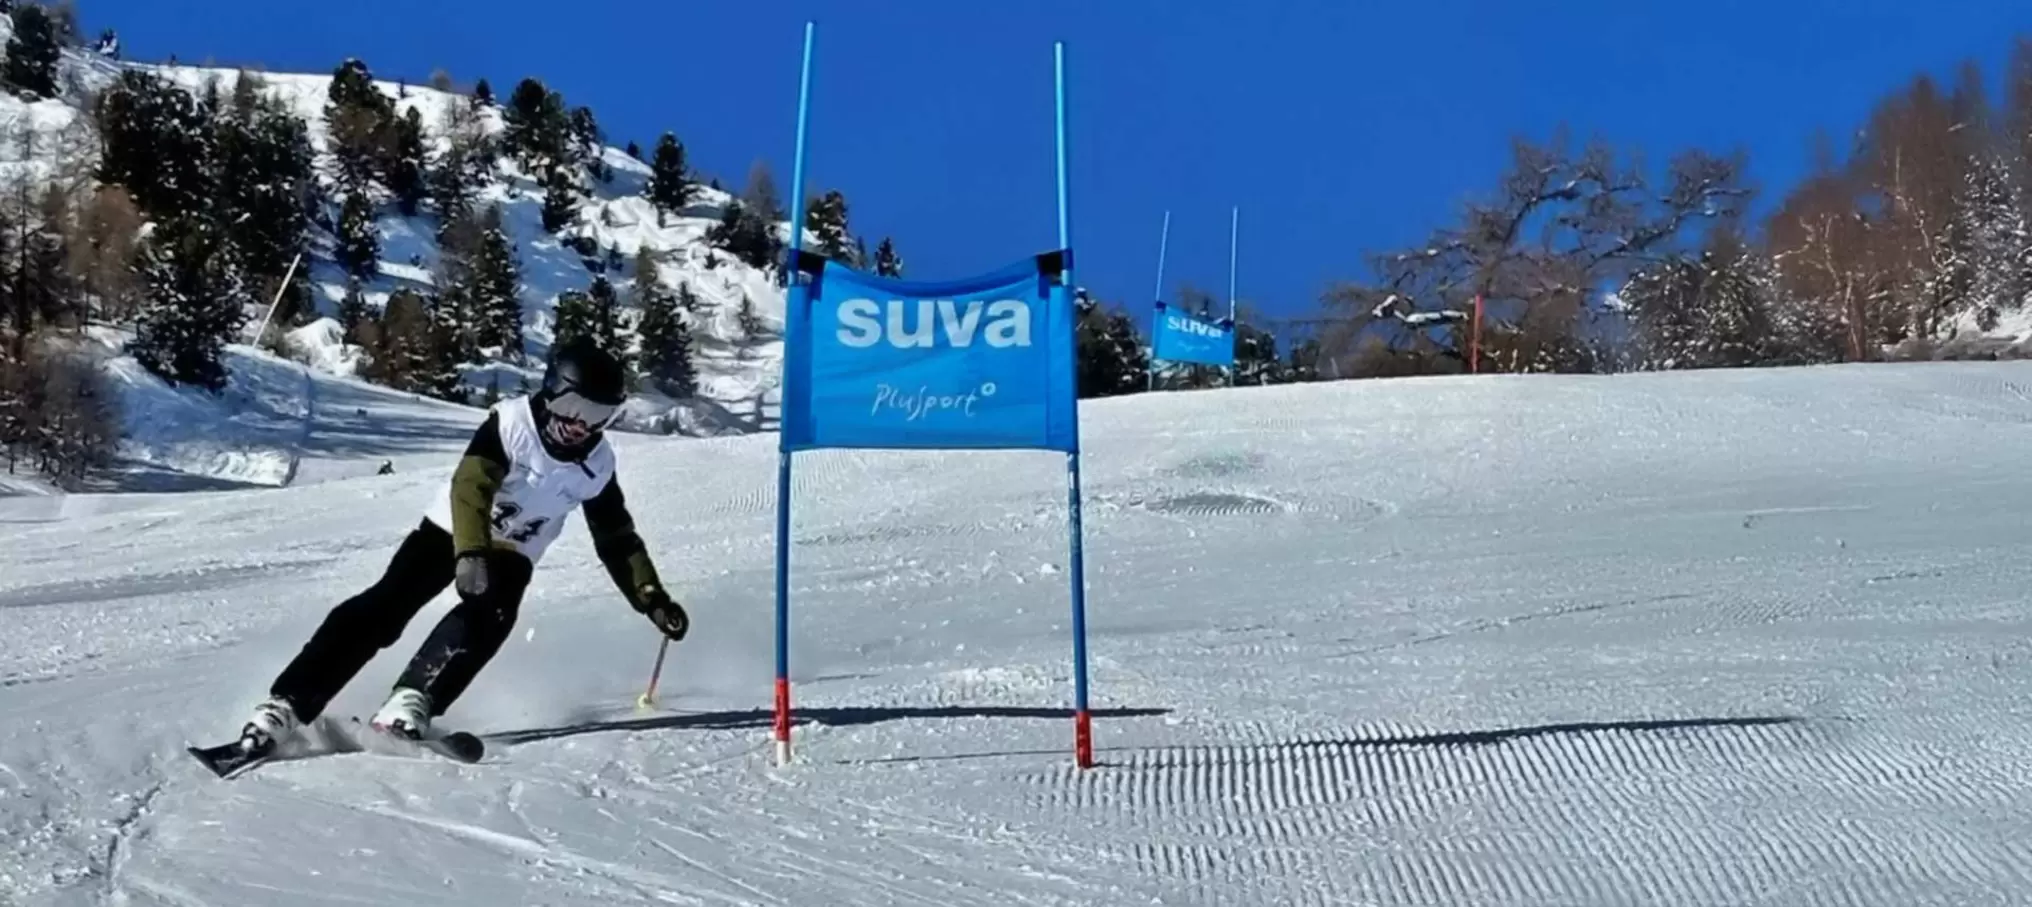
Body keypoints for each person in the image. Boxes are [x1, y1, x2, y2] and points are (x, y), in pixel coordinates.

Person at [233, 339, 690, 755]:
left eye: (598, 416)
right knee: (386, 606)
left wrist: (650, 597)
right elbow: (472, 485)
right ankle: (288, 703)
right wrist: (469, 552)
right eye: (573, 406)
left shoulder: (597, 464)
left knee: (490, 616)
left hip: (513, 552)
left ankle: (413, 699)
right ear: (552, 392)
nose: (579, 425)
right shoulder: (513, 424)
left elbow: (616, 537)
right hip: (451, 530)